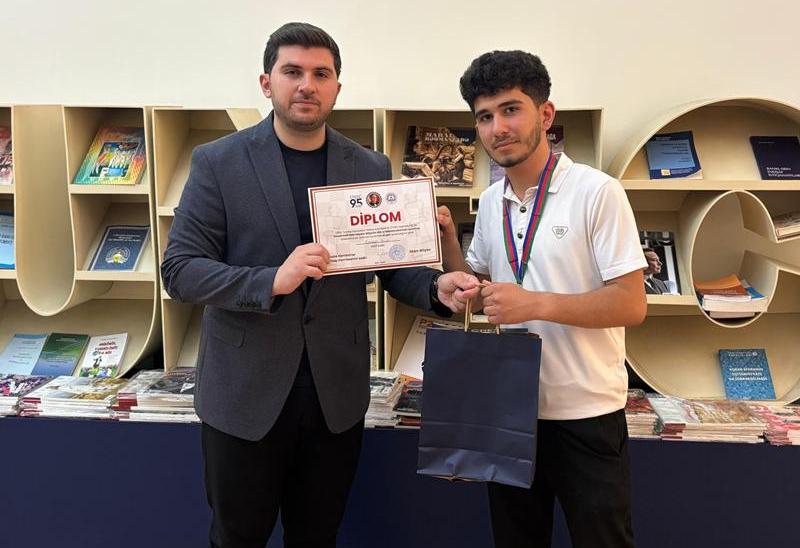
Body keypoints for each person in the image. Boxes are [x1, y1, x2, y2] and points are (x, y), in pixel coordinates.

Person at [161, 22, 478, 548]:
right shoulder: (218, 162)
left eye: (320, 74)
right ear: (267, 83)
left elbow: (389, 265)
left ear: (336, 87)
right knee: (237, 537)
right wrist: (272, 280)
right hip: (245, 395)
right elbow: (180, 270)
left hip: (335, 397)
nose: (307, 85)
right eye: (293, 72)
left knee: (317, 536)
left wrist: (435, 288)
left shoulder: (369, 165)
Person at [437, 50, 647, 548]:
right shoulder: (491, 201)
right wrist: (445, 241)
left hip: (586, 413)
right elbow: (478, 291)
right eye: (484, 117)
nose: (497, 128)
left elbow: (630, 304)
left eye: (511, 110)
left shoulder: (598, 192)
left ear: (545, 114)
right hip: (508, 409)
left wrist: (534, 303)